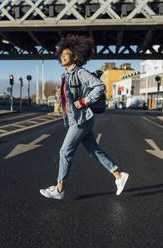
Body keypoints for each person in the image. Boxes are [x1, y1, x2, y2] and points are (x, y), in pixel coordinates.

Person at [39, 35, 129, 200]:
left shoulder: (79, 72)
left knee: (65, 151)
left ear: (75, 56)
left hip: (81, 120)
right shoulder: (67, 75)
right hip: (79, 119)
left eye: (67, 54)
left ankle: (59, 189)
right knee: (94, 150)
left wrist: (84, 101)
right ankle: (119, 175)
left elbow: (100, 86)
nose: (63, 56)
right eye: (62, 54)